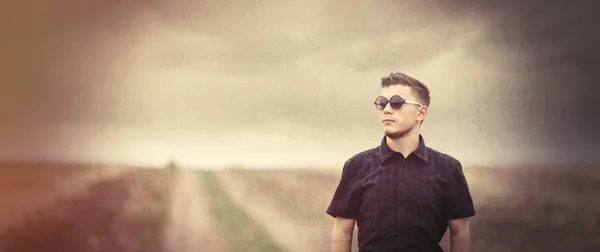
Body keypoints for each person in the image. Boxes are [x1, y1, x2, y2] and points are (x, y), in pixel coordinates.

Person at [326, 72, 476, 252]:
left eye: (396, 102)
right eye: (382, 103)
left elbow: (459, 232)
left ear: (421, 112)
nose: (387, 109)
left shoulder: (448, 168)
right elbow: (343, 231)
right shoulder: (357, 166)